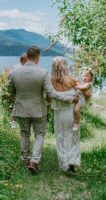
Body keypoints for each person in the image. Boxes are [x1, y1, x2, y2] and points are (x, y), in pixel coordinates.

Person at [8, 46, 79, 174]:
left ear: (27, 56)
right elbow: (52, 94)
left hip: (21, 108)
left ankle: (25, 159)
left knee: (24, 134)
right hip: (38, 110)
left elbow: (10, 91)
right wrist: (70, 99)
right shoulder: (43, 73)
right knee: (40, 134)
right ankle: (34, 161)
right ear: (37, 57)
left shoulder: (14, 72)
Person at [50, 56, 81, 173]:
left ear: (53, 67)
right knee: (73, 137)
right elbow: (80, 94)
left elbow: (49, 98)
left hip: (59, 113)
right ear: (64, 66)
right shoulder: (72, 80)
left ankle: (65, 164)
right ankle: (73, 161)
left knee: (61, 138)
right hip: (72, 112)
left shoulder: (50, 82)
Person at [10, 53, 28, 129]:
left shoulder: (14, 67)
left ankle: (14, 123)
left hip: (17, 89)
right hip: (21, 89)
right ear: (25, 60)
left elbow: (9, 77)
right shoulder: (20, 67)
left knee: (17, 106)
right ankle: (14, 123)